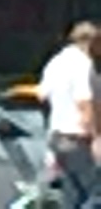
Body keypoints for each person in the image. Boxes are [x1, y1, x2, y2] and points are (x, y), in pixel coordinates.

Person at [44, 21, 98, 209]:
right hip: (78, 138)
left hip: (57, 137)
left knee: (72, 194)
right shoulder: (82, 64)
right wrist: (96, 138)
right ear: (92, 42)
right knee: (95, 192)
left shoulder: (55, 62)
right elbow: (84, 102)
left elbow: (42, 94)